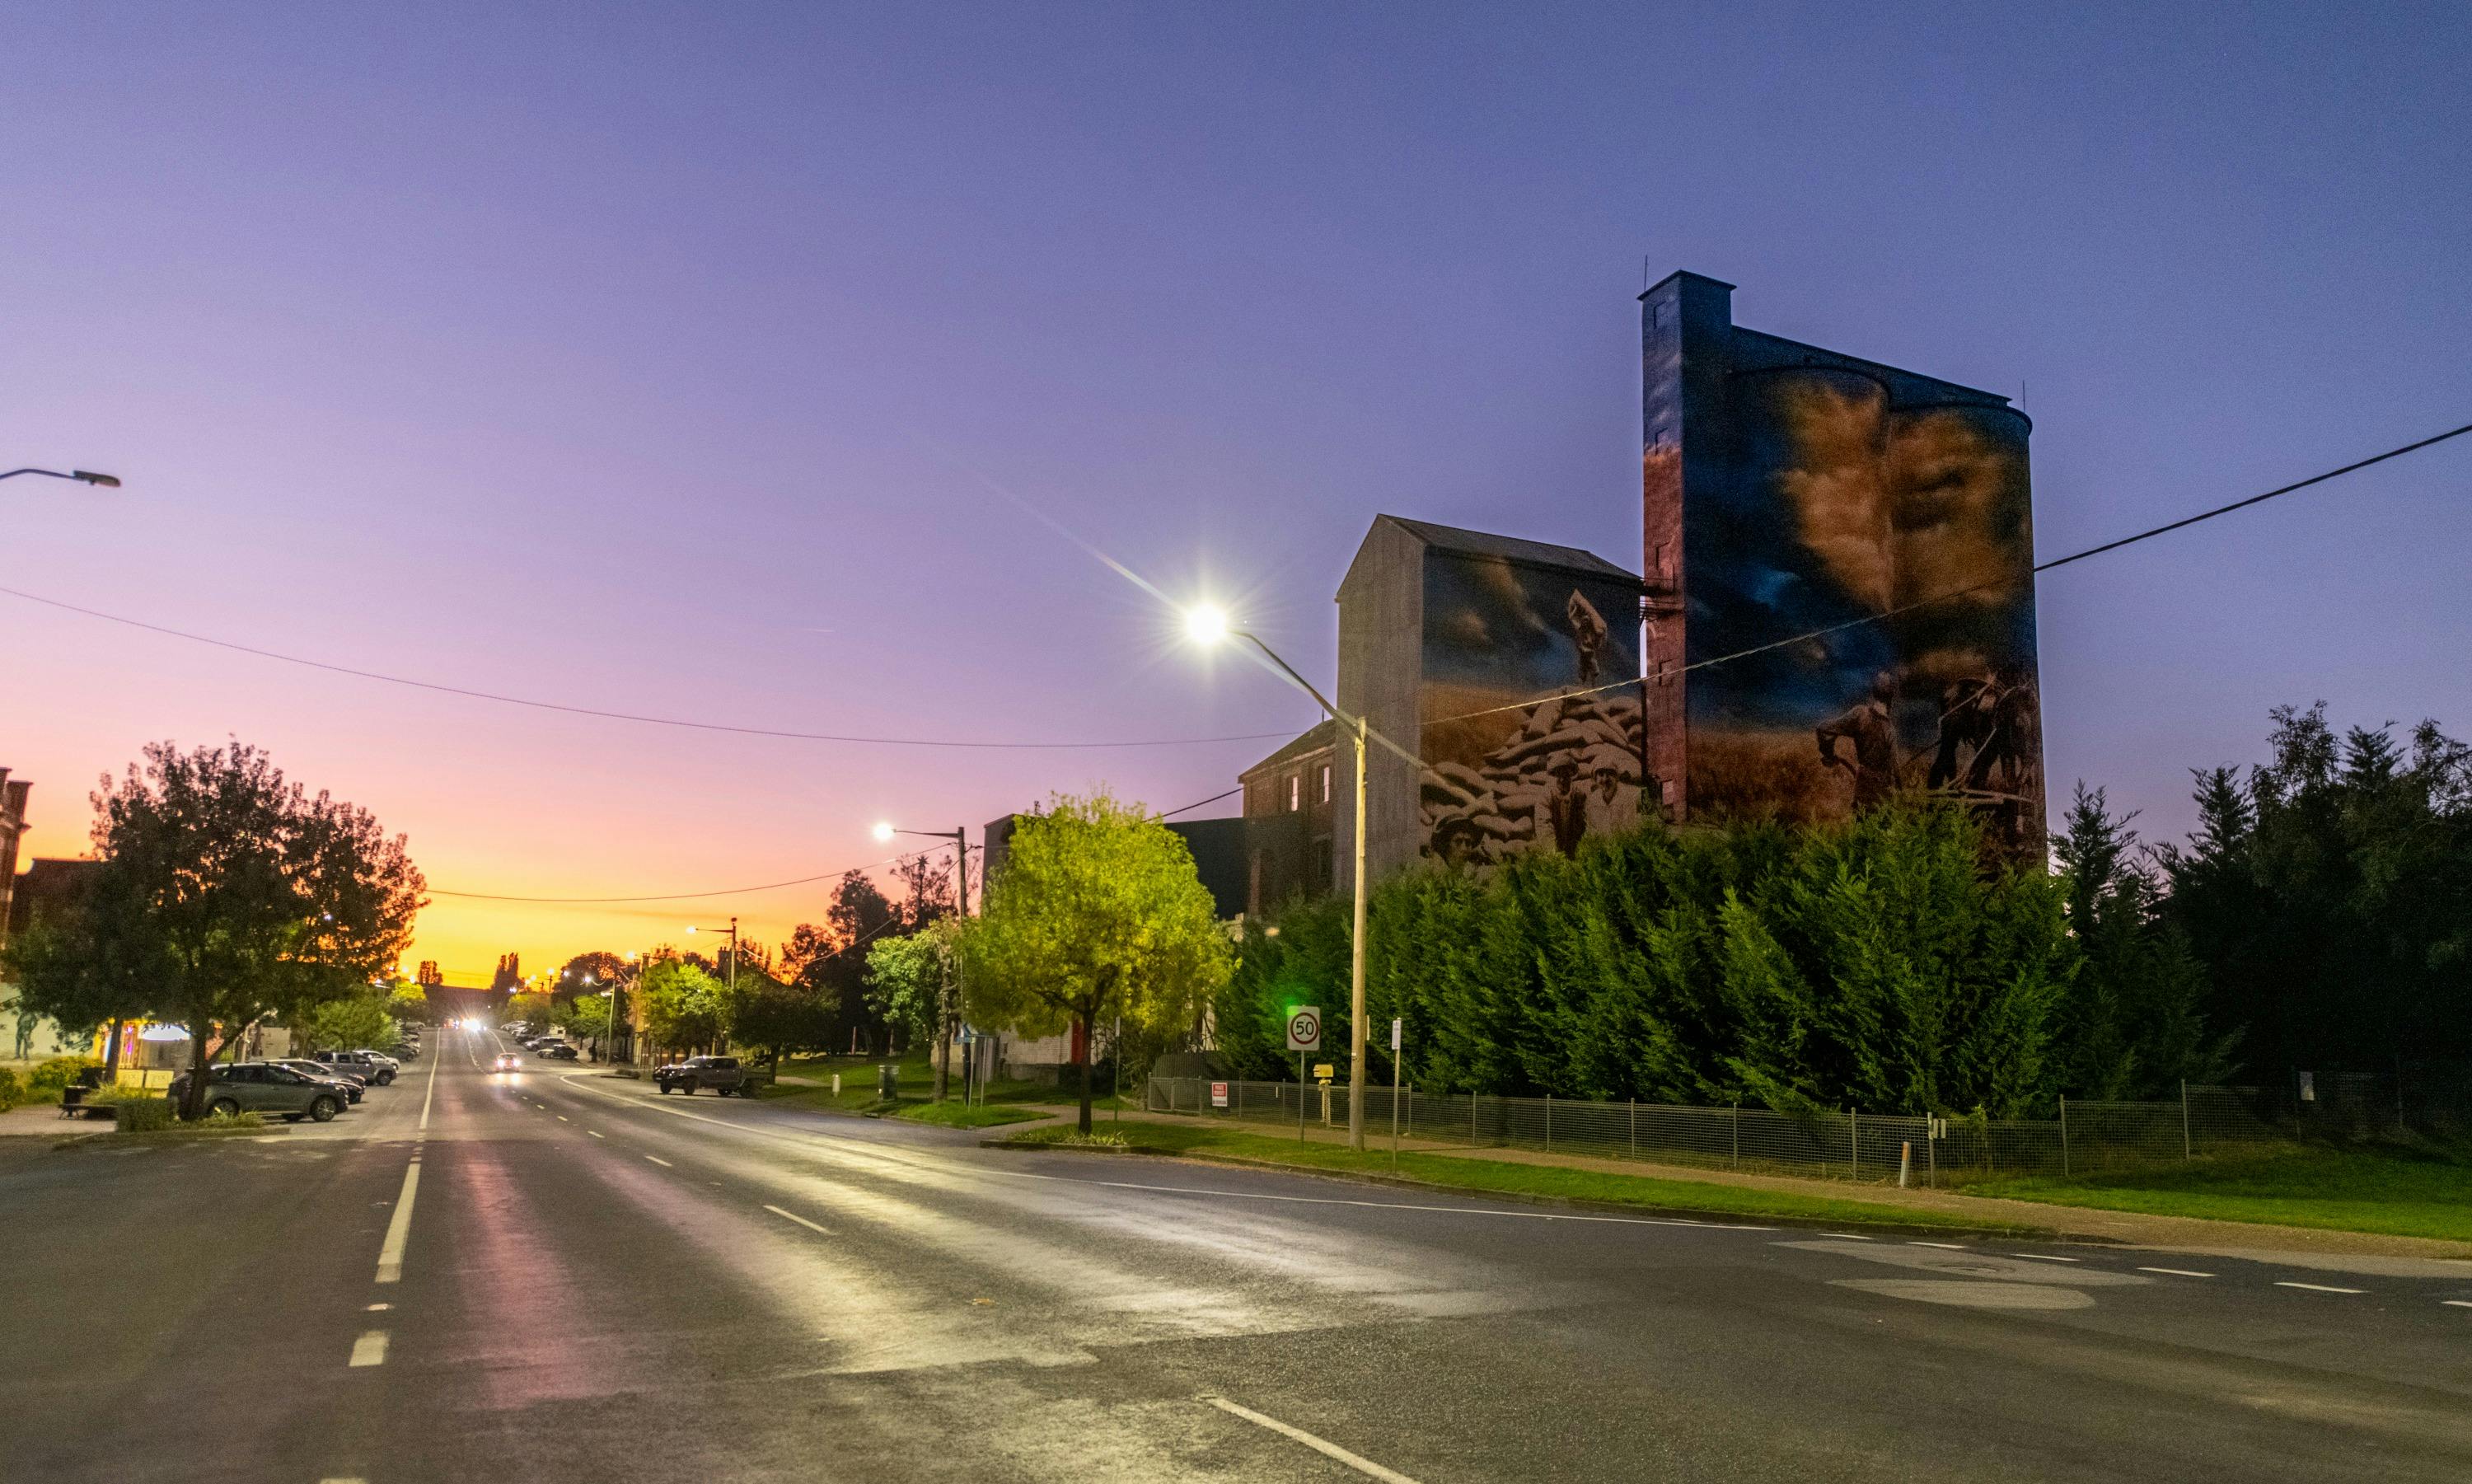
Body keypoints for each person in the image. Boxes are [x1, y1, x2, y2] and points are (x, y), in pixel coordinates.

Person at [1817, 672, 1898, 811]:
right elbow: (1894, 770)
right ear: (1892, 697)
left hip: (1863, 793)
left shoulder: (1860, 714)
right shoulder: (1889, 729)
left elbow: (1823, 728)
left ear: (1873, 693)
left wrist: (1829, 756)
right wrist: (1901, 793)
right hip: (1883, 800)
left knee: (1861, 829)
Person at [1566, 589, 1609, 686]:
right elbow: (1571, 617)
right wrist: (1576, 608)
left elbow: (1596, 642)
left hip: (1589, 654)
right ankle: (1580, 687)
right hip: (1583, 654)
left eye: (1587, 621)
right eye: (1584, 620)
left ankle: (1593, 687)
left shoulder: (1591, 633)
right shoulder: (1580, 628)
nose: (1585, 622)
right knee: (1582, 672)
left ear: (1589, 623)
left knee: (1594, 672)